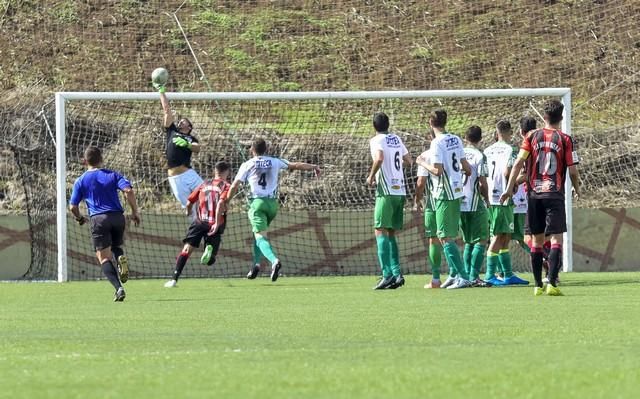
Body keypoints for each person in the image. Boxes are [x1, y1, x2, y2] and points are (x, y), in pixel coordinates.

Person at [501, 99, 580, 296]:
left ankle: (537, 285)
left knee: (535, 241)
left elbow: (519, 163)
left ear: (543, 117)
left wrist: (509, 188)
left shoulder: (531, 136)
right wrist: (577, 188)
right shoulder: (565, 139)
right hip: (554, 194)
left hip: (534, 195)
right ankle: (552, 282)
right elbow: (573, 171)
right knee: (556, 239)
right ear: (561, 118)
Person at [227, 138, 320, 282]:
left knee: (260, 236)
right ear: (266, 149)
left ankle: (274, 261)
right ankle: (256, 265)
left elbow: (234, 186)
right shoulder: (275, 161)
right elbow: (295, 165)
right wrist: (313, 166)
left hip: (257, 204)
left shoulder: (247, 164)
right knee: (258, 233)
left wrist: (226, 200)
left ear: (252, 149)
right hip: (272, 205)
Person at [69, 146, 141, 302]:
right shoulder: (112, 175)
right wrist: (135, 212)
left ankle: (118, 288)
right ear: (101, 159)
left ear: (84, 161)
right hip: (117, 217)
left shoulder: (81, 180)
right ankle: (121, 257)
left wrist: (80, 218)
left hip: (99, 219)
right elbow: (128, 191)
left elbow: (72, 207)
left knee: (103, 258)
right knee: (116, 247)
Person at [416, 108, 472, 290]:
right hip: (457, 192)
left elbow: (437, 171)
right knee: (448, 236)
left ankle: (463, 276)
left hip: (443, 193)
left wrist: (421, 162)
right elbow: (467, 168)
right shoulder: (456, 139)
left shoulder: (436, 143)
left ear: (430, 123)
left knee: (444, 236)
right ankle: (454, 275)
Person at [164, 161, 231, 288]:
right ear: (226, 172)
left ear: (215, 172)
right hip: (215, 223)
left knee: (186, 250)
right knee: (210, 261)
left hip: (200, 222)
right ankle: (209, 250)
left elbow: (189, 202)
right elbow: (221, 204)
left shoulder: (203, 184)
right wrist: (216, 222)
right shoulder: (226, 186)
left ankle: (173, 279)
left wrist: (188, 212)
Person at [366, 112, 412, 290]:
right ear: (388, 125)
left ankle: (386, 275)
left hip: (385, 191)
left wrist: (371, 176)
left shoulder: (376, 140)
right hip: (400, 190)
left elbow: (379, 158)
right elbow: (409, 161)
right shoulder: (396, 139)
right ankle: (397, 273)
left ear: (374, 126)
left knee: (380, 230)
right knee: (391, 232)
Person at [483, 120, 529, 286]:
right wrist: (514, 184)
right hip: (504, 196)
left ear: (497, 133)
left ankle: (508, 274)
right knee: (498, 236)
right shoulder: (512, 149)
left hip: (491, 195)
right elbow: (508, 171)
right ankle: (489, 275)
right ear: (510, 133)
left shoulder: (487, 151)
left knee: (505, 235)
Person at [155, 81, 204, 215]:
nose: (181, 121)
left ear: (189, 127)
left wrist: (188, 145)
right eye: (180, 120)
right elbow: (166, 110)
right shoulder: (172, 131)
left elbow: (197, 148)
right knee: (190, 211)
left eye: (184, 121)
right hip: (175, 178)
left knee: (206, 196)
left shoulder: (191, 138)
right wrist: (161, 91)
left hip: (189, 175)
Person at [460, 126, 491, 287]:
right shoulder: (480, 155)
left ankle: (465, 275)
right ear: (480, 139)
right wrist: (487, 200)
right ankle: (473, 277)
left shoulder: (458, 153)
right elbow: (482, 182)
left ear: (465, 137)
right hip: (474, 201)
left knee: (468, 241)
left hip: (458, 202)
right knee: (481, 239)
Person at [414, 143, 444, 289]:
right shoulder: (455, 150)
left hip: (434, 202)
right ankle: (459, 275)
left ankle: (436, 279)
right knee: (452, 238)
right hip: (457, 199)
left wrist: (417, 200)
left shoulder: (425, 155)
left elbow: (421, 182)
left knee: (435, 239)